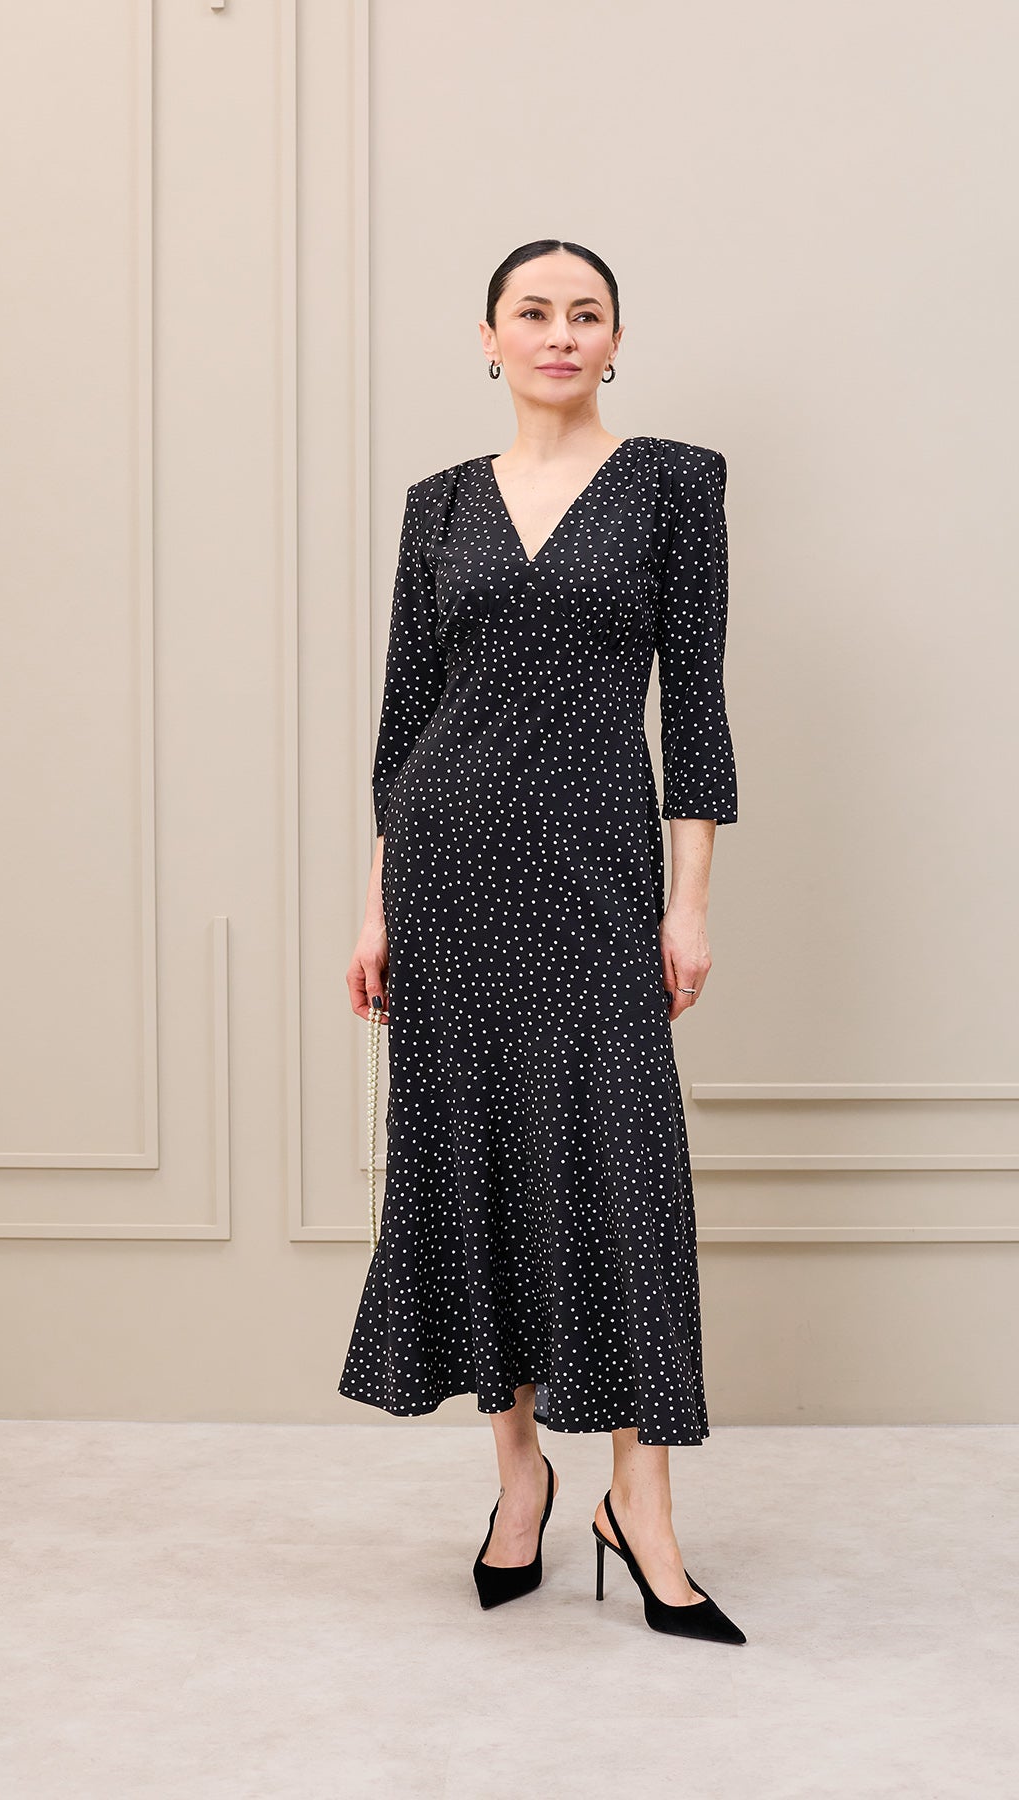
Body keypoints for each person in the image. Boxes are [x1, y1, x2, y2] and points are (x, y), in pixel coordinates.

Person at [340, 239, 745, 1645]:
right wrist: (377, 905)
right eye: (534, 312)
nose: (559, 333)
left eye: (586, 314)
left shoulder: (675, 485)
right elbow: (403, 723)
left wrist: (688, 901)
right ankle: (520, 1476)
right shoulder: (439, 504)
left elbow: (696, 710)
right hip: (448, 870)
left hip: (596, 869)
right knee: (475, 1161)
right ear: (490, 337)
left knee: (622, 1167)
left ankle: (645, 1503)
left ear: (616, 339)